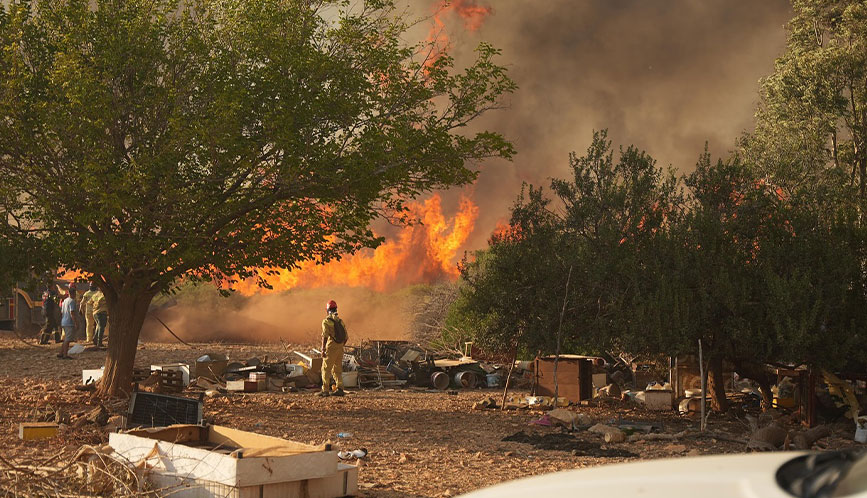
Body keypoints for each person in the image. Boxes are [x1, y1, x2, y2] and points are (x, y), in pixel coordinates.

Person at [318, 300, 348, 397]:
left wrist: (323, 349)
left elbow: (325, 336)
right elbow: (346, 337)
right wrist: (340, 346)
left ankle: (325, 390)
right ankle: (340, 389)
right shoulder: (340, 321)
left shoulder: (326, 321)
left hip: (331, 347)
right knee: (337, 369)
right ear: (336, 309)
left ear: (327, 310)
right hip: (340, 348)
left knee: (326, 369)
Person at [57, 287, 79, 359]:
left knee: (66, 338)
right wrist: (75, 322)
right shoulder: (72, 301)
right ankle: (65, 355)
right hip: (69, 322)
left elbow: (62, 311)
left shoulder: (65, 301)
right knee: (68, 339)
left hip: (63, 321)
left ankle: (61, 353)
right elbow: (72, 313)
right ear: (74, 294)